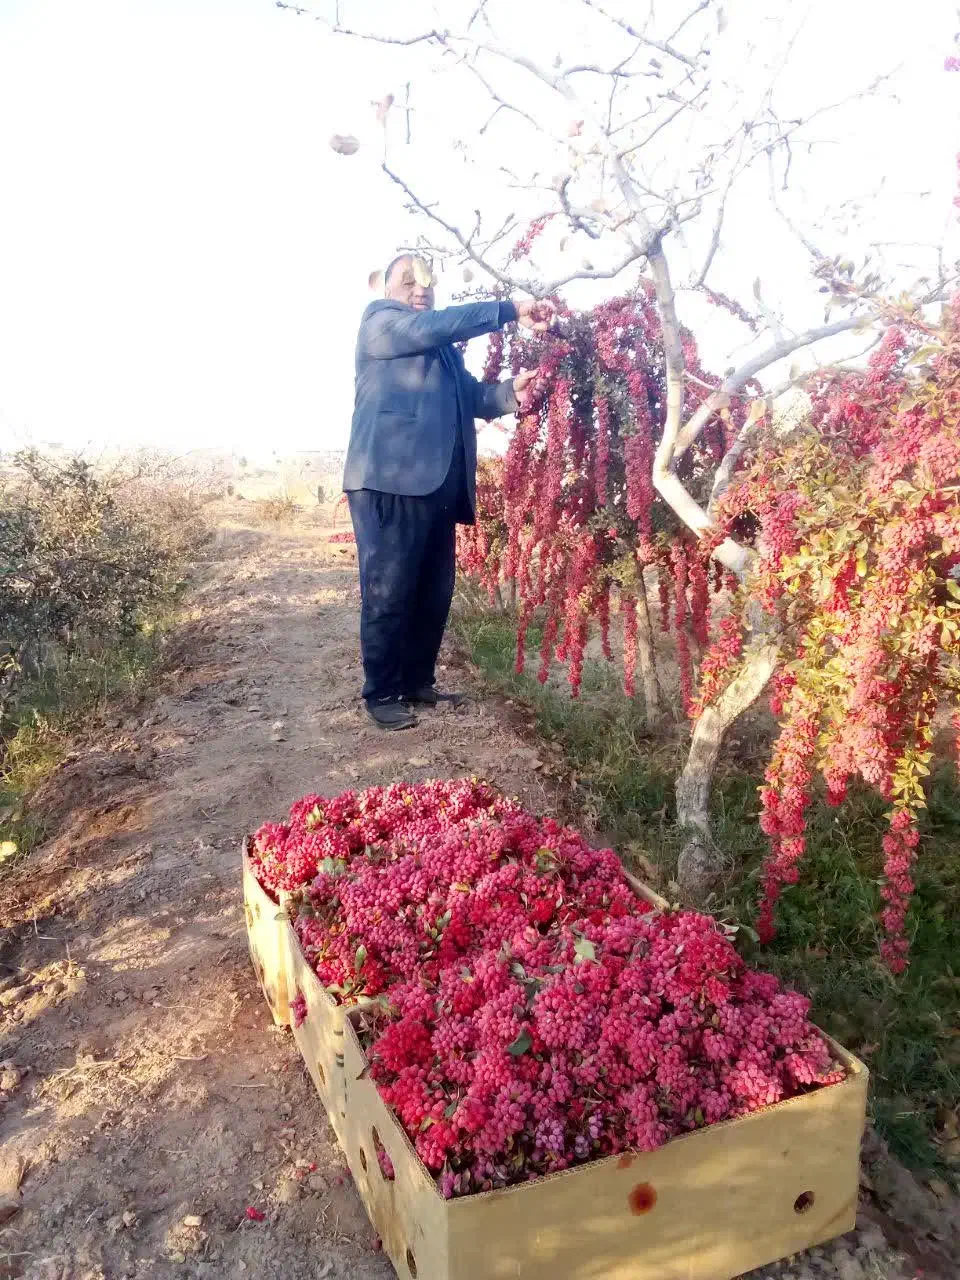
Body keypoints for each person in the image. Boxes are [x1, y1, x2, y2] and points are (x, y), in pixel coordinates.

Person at [343, 253, 553, 730]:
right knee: (389, 591)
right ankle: (382, 692)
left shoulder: (443, 351)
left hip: (436, 484)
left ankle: (418, 681)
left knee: (433, 592)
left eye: (427, 283)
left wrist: (509, 392)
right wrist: (508, 309)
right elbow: (435, 326)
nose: (420, 289)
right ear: (386, 290)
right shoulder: (380, 323)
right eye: (408, 281)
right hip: (388, 480)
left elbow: (473, 398)